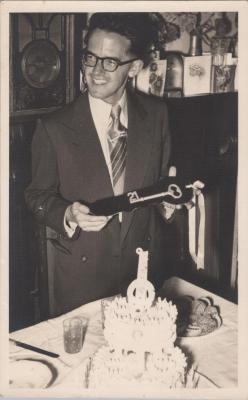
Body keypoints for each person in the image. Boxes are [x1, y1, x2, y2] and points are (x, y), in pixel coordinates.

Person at [25, 13, 177, 315]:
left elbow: (160, 188)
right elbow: (36, 196)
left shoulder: (157, 115)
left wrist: (171, 202)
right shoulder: (53, 127)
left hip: (143, 273)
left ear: (134, 67)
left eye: (109, 62)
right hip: (83, 278)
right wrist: (67, 212)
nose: (94, 71)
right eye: (90, 58)